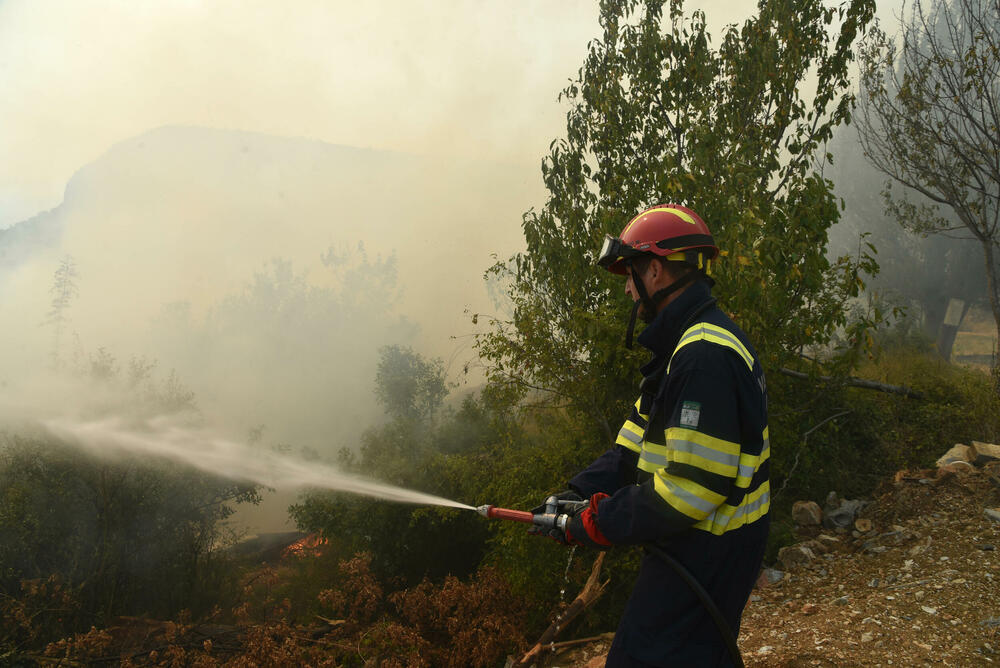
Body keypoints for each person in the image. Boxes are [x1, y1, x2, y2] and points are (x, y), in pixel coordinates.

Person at [542, 204, 770, 667]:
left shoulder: (703, 357)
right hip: (694, 546)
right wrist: (575, 495)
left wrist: (601, 521)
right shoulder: (682, 348)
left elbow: (691, 488)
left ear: (656, 270)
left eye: (630, 273)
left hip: (708, 552)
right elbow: (632, 444)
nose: (627, 287)